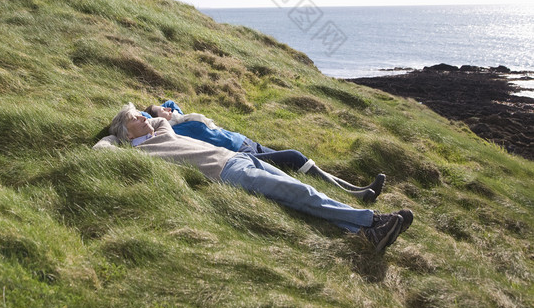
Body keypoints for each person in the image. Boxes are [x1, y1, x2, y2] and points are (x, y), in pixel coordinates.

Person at [94, 103, 413, 253]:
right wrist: (113, 136)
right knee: (299, 195)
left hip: (240, 158)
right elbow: (100, 150)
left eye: (142, 114)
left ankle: (365, 230)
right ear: (126, 132)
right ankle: (372, 222)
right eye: (136, 117)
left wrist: (145, 113)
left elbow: (170, 109)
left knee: (302, 187)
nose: (145, 118)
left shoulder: (161, 126)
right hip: (229, 173)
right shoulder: (137, 152)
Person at [144, 100, 384, 203]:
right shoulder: (175, 132)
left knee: (302, 165)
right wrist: (149, 112)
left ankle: (356, 190)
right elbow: (144, 118)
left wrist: (162, 107)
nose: (166, 111)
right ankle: (353, 196)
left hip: (249, 143)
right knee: (293, 157)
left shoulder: (181, 116)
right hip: (241, 156)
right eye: (160, 112)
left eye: (165, 109)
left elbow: (171, 103)